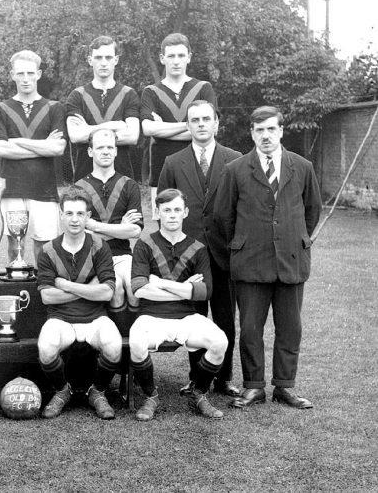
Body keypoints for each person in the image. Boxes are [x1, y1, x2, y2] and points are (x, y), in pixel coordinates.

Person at [215, 106, 321, 410]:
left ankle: (284, 386)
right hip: (250, 262)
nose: (266, 135)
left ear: (281, 131)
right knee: (250, 329)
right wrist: (244, 243)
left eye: (271, 129)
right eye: (259, 130)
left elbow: (312, 211)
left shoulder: (302, 167)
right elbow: (223, 217)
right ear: (251, 133)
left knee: (290, 328)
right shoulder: (235, 169)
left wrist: (293, 238)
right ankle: (254, 387)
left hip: (291, 260)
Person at [157, 100, 242, 397]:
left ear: (217, 123)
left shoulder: (234, 159)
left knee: (225, 318)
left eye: (207, 119)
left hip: (223, 253)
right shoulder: (173, 162)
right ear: (188, 126)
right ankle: (197, 378)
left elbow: (240, 207)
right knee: (193, 319)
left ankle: (224, 378)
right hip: (188, 256)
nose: (201, 124)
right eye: (195, 120)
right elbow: (164, 208)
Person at [129, 188, 228, 421]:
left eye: (176, 210)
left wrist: (161, 283)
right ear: (157, 213)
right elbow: (140, 289)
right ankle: (151, 396)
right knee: (136, 343)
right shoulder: (144, 244)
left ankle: (199, 393)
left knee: (219, 342)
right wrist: (185, 289)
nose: (172, 215)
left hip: (187, 317)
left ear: (185, 212)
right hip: (151, 316)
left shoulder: (198, 248)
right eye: (166, 210)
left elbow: (204, 292)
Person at [36, 188, 122, 420]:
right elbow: (47, 296)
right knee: (46, 348)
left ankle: (98, 392)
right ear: (61, 215)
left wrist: (66, 284)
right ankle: (62, 391)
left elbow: (107, 292)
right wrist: (89, 288)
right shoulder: (48, 250)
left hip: (95, 318)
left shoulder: (99, 246)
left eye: (80, 214)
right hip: (60, 318)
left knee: (114, 346)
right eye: (69, 213)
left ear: (88, 216)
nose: (75, 219)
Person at [0, 50, 66, 264]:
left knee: (45, 248)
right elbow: (0, 149)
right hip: (13, 187)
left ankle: (43, 284)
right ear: (12, 75)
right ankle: (16, 282)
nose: (25, 79)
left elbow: (57, 149)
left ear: (39, 74)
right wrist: (43, 146)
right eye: (20, 73)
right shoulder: (1, 109)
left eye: (30, 73)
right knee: (15, 247)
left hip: (44, 187)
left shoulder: (54, 108)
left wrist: (17, 141)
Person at [140, 33, 217, 215]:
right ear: (162, 58)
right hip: (161, 169)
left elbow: (211, 130)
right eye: (171, 56)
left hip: (198, 167)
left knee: (200, 221)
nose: (176, 61)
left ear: (189, 57)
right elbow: (148, 129)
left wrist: (162, 130)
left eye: (181, 55)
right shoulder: (151, 92)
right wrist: (190, 126)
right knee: (164, 225)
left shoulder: (203, 88)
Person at [74, 128, 143, 312]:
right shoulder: (79, 188)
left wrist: (94, 226)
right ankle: (114, 329)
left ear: (116, 151)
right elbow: (77, 233)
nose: (105, 151)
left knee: (135, 287)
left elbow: (135, 231)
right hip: (91, 256)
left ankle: (135, 328)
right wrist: (120, 228)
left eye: (110, 147)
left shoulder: (129, 185)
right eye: (100, 147)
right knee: (115, 287)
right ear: (90, 151)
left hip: (122, 255)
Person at [66, 36, 140, 181]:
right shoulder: (77, 95)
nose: (104, 63)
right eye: (98, 57)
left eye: (108, 57)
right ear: (90, 60)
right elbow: (75, 136)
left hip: (122, 178)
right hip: (85, 178)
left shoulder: (128, 94)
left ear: (116, 60)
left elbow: (132, 136)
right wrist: (116, 125)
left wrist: (88, 129)